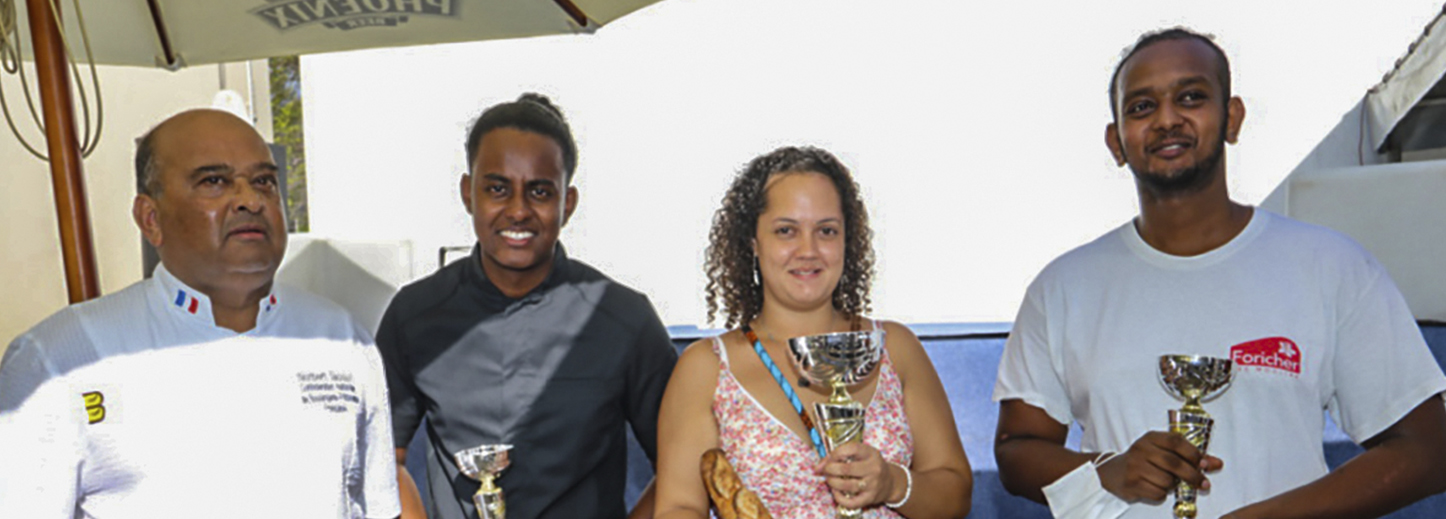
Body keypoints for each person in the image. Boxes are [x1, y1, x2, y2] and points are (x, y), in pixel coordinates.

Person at [993, 28, 1446, 519]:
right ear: (1116, 141)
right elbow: (1018, 451)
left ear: (1232, 118)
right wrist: (1105, 468)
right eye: (1141, 107)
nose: (1167, 119)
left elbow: (1427, 450)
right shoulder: (1062, 288)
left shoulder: (1331, 267)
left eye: (1191, 97)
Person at [0, 109, 400, 518]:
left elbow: (379, 507)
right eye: (214, 181)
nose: (250, 200)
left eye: (264, 181)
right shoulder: (60, 358)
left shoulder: (340, 339)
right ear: (150, 219)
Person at [376, 93, 679, 519]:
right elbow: (383, 459)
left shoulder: (623, 319)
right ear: (468, 193)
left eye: (539, 191)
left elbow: (683, 467)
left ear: (567, 204)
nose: (517, 211)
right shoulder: (415, 314)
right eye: (498, 189)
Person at [654, 146, 973, 519]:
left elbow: (956, 496)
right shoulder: (705, 367)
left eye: (826, 230)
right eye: (786, 231)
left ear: (846, 240)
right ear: (753, 244)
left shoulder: (895, 348)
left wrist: (893, 483)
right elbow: (677, 508)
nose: (808, 250)